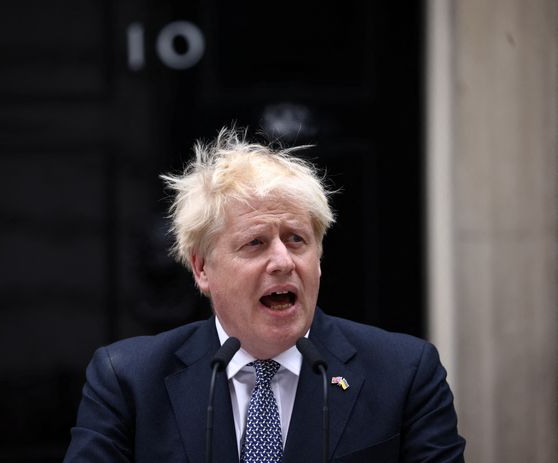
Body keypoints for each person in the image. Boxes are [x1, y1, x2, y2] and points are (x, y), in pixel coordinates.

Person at [63, 128, 466, 462]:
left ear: (319, 257)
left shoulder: (406, 374)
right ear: (202, 268)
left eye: (296, 240)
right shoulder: (127, 381)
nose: (282, 261)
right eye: (255, 243)